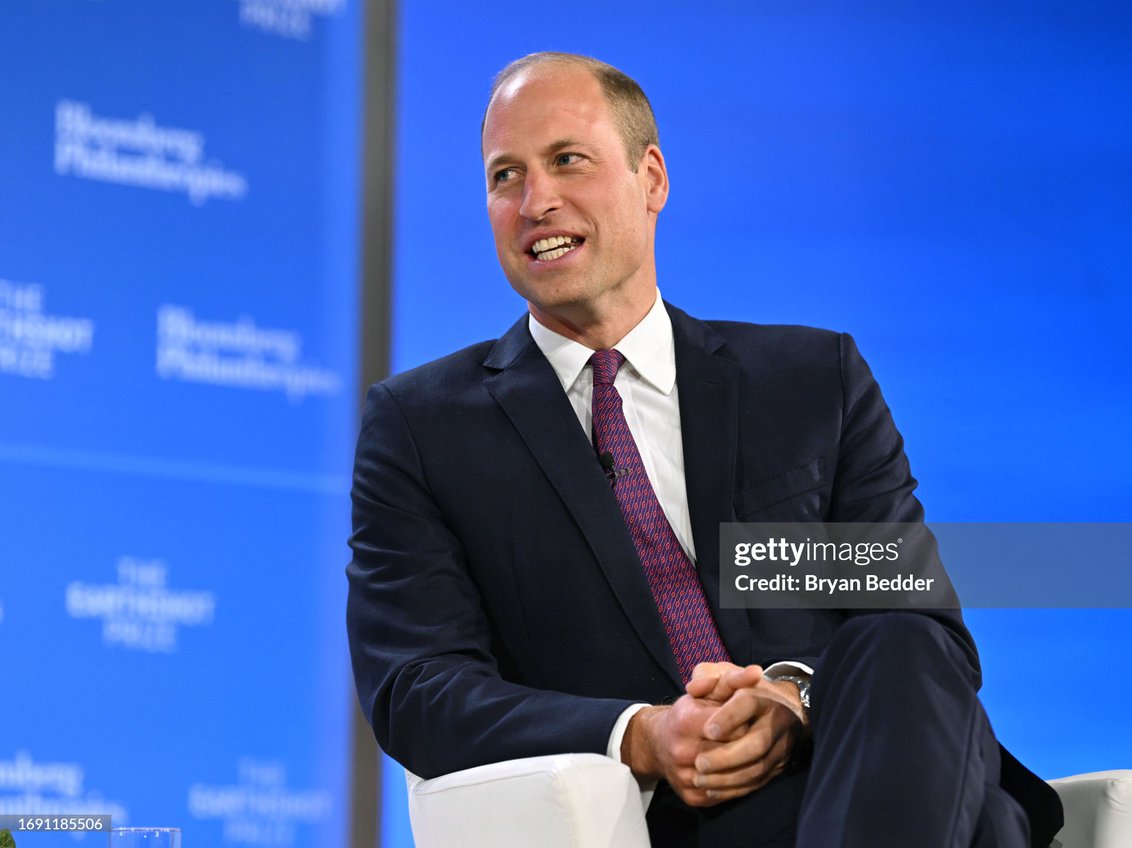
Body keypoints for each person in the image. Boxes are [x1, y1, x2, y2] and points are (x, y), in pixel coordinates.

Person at [347, 52, 1063, 847]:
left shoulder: (808, 384)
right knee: (990, 826)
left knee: (899, 638)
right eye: (504, 176)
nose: (535, 201)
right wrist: (644, 733)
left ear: (651, 178)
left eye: (566, 161)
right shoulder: (426, 428)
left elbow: (920, 628)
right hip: (674, 822)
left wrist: (792, 701)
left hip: (855, 765)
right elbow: (418, 688)